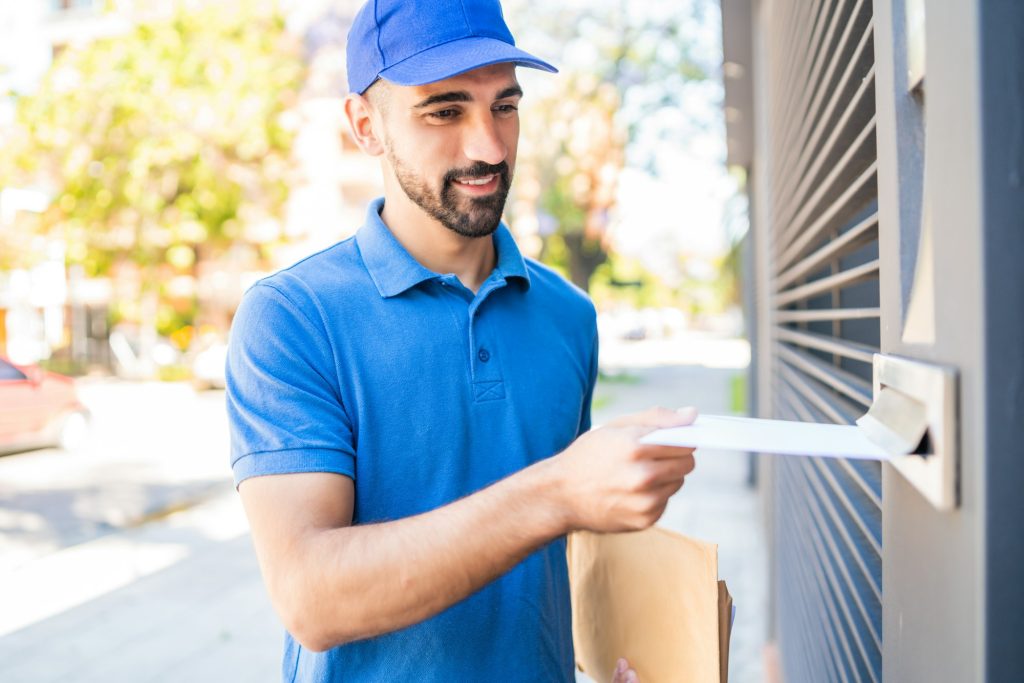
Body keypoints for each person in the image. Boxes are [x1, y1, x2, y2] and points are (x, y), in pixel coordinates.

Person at [226, 1, 698, 681]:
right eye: (445, 111)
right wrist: (558, 490)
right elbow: (311, 596)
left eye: (505, 105)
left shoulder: (569, 315)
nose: (490, 147)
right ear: (366, 125)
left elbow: (569, 552)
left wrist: (622, 653)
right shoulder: (293, 317)